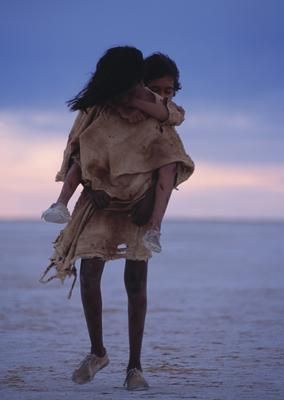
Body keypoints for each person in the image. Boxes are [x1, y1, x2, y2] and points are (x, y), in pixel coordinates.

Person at [40, 46, 194, 391]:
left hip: (140, 206)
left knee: (136, 281)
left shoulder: (155, 113)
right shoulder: (97, 109)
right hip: (99, 203)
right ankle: (97, 352)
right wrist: (90, 188)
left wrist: (150, 199)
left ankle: (134, 367)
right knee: (90, 272)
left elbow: (166, 155)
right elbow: (78, 149)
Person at [41, 55, 185, 253]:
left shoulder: (161, 110)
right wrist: (92, 189)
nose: (162, 94)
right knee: (83, 153)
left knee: (170, 162)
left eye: (168, 90)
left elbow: (170, 114)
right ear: (141, 85)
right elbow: (78, 142)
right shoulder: (106, 109)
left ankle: (155, 227)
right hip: (103, 180)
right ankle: (61, 203)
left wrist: (135, 103)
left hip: (139, 188)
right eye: (155, 89)